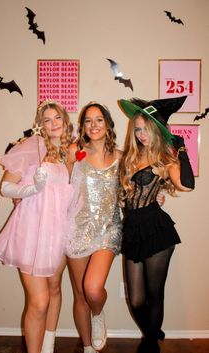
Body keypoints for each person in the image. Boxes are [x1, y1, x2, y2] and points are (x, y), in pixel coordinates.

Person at [0, 99, 74, 353]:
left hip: (59, 230)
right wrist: (30, 189)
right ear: (40, 126)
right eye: (46, 120)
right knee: (39, 301)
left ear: (65, 120)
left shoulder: (70, 151)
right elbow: (5, 187)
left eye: (57, 117)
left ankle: (48, 347)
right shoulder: (30, 146)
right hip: (31, 230)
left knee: (55, 289)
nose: (53, 123)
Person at [117, 96, 195, 353]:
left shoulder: (165, 160)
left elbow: (186, 185)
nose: (141, 134)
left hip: (156, 229)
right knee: (137, 300)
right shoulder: (128, 158)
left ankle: (150, 345)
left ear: (157, 130)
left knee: (154, 294)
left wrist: (181, 150)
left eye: (146, 129)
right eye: (137, 129)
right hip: (132, 230)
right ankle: (153, 333)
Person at [66, 102, 123, 353]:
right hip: (76, 229)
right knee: (80, 294)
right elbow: (59, 184)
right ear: (82, 126)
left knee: (92, 288)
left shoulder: (121, 157)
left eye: (99, 119)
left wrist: (158, 196)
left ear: (108, 123)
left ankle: (97, 314)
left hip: (108, 228)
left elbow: (135, 188)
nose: (94, 125)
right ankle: (88, 347)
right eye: (88, 121)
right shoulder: (74, 151)